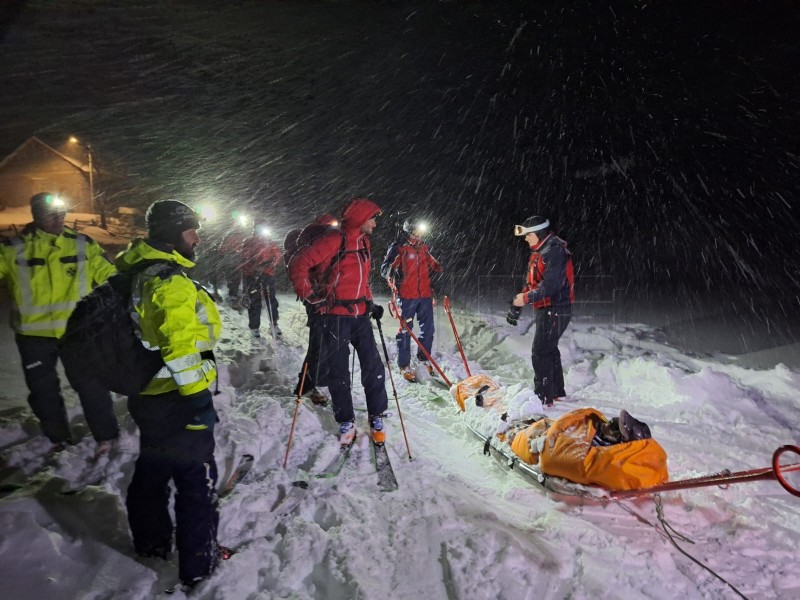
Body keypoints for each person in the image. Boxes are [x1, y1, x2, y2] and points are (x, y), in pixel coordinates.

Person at [115, 199, 222, 589]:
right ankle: (199, 565)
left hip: (148, 393)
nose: (197, 237)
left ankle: (151, 543)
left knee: (153, 469)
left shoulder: (137, 269)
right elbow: (180, 350)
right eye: (191, 230)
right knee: (196, 481)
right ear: (173, 233)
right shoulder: (168, 281)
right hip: (176, 396)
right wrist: (198, 401)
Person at [0, 192, 118, 453]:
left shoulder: (82, 245)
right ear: (36, 216)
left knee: (92, 386)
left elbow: (113, 277)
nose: (58, 218)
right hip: (34, 336)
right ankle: (57, 439)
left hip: (78, 333)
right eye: (50, 214)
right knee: (43, 392)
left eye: (62, 213)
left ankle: (106, 438)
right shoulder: (12, 249)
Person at [288, 198, 388, 446]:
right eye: (372, 218)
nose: (375, 223)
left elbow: (362, 279)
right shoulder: (334, 239)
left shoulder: (364, 242)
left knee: (373, 368)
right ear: (360, 218)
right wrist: (312, 298)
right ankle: (346, 419)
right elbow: (298, 265)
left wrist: (370, 301)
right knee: (339, 371)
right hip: (335, 318)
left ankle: (377, 414)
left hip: (361, 316)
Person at [509, 216, 574, 407]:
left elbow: (552, 285)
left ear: (538, 233)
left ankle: (543, 397)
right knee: (549, 349)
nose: (525, 239)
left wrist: (527, 298)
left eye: (528, 235)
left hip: (556, 307)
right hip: (547, 308)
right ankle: (556, 392)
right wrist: (517, 304)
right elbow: (532, 282)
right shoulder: (539, 251)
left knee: (540, 352)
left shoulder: (554, 250)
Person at [283, 213, 338, 406]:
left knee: (323, 343)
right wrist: (314, 297)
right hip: (317, 300)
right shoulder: (311, 239)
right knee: (320, 343)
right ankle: (315, 385)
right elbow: (300, 268)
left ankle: (308, 383)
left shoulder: (320, 238)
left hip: (324, 298)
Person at [380, 217, 442, 382]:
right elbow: (384, 268)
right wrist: (391, 272)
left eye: (422, 232)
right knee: (406, 330)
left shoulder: (424, 248)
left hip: (425, 297)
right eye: (417, 232)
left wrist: (440, 267)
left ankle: (423, 359)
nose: (420, 235)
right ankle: (404, 364)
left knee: (428, 330)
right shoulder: (399, 248)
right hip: (407, 297)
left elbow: (434, 265)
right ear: (409, 231)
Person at [240, 218, 283, 338]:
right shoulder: (249, 242)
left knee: (271, 300)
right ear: (254, 229)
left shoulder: (270, 242)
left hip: (268, 274)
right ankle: (254, 327)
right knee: (254, 300)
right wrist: (254, 267)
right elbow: (245, 257)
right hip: (253, 276)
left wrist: (271, 264)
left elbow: (278, 255)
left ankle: (274, 324)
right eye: (259, 228)